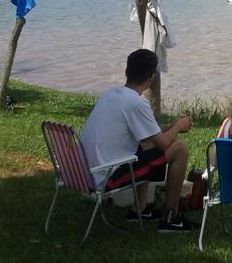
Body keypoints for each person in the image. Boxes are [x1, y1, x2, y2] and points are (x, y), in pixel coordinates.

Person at [80, 49, 194, 232]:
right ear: (151, 77)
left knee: (145, 145)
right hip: (106, 177)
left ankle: (139, 209)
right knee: (179, 148)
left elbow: (148, 133)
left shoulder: (111, 94)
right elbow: (163, 144)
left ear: (127, 72)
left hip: (85, 172)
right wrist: (179, 126)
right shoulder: (137, 103)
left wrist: (171, 125)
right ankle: (172, 217)